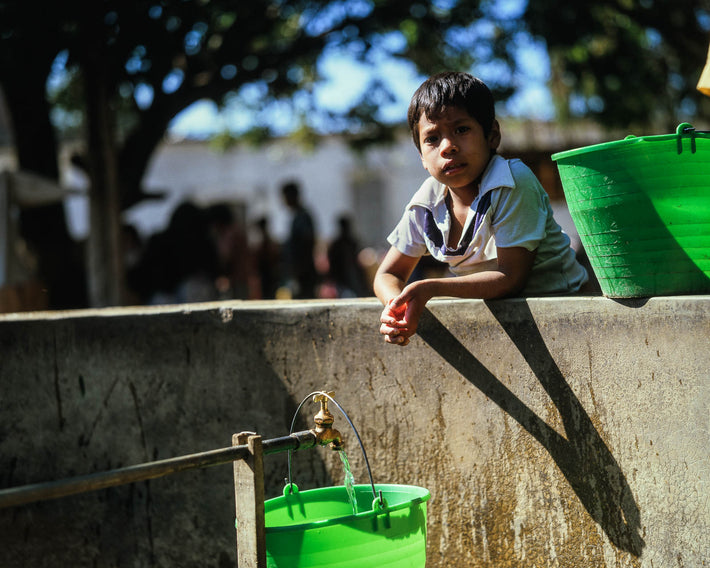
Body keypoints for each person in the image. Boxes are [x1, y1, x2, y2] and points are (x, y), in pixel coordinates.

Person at [374, 71, 588, 346]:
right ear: (421, 158)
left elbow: (509, 278)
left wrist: (431, 288)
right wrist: (397, 307)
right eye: (432, 138)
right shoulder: (428, 202)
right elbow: (388, 274)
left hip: (568, 313)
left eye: (461, 130)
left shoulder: (510, 181)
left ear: (492, 135)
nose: (448, 147)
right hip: (504, 323)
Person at [281, 181, 318, 299]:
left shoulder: (302, 217)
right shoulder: (298, 217)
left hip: (303, 272)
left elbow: (306, 242)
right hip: (300, 271)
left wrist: (298, 268)